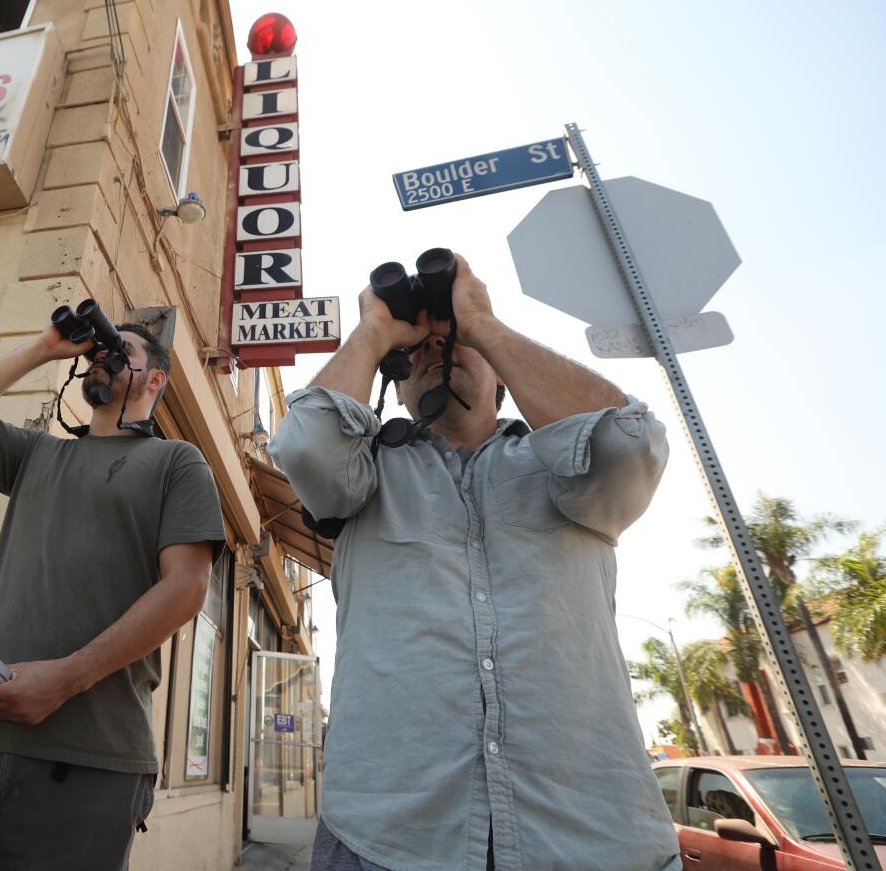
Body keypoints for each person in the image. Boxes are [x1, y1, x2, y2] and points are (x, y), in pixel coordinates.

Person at [269, 255, 681, 871]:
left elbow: (629, 442)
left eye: (455, 343)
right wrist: (375, 331)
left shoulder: (564, 468)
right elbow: (303, 444)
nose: (438, 350)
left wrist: (482, 323)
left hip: (591, 838)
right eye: (421, 352)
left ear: (506, 378)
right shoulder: (362, 480)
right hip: (388, 840)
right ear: (397, 384)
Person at [0, 318, 226, 871]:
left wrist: (68, 677)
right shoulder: (38, 454)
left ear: (155, 381)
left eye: (120, 350)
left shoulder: (177, 463)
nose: (102, 355)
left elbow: (187, 587)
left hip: (91, 757)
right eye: (98, 348)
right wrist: (47, 348)